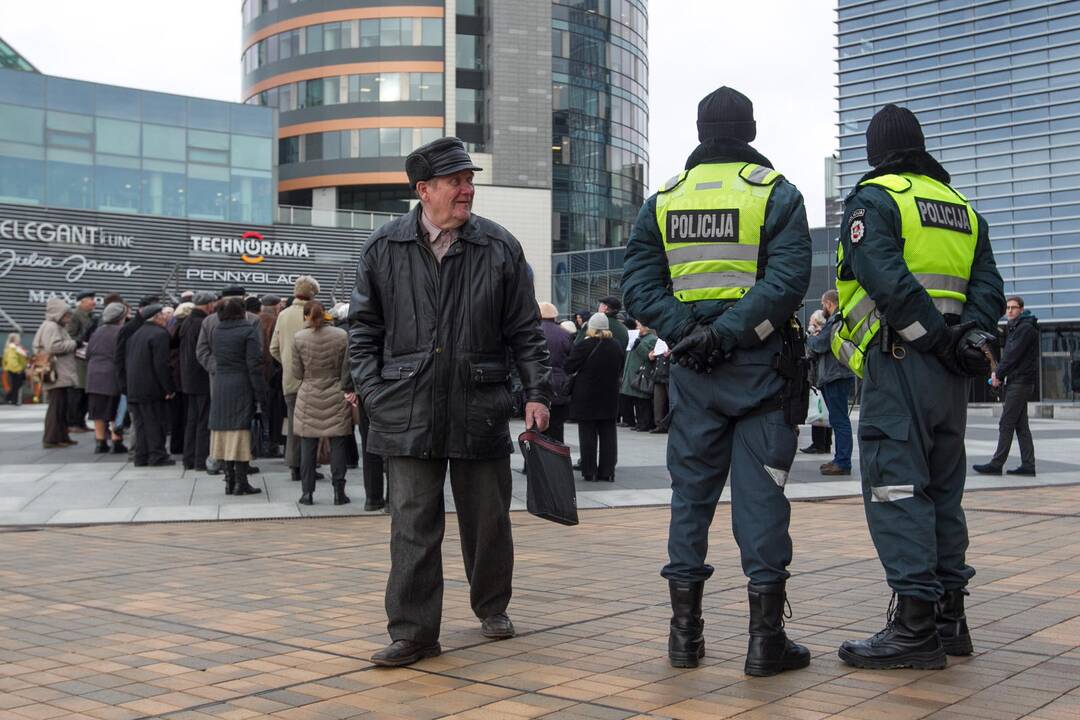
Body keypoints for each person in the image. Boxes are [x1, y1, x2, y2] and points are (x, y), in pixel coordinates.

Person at [622, 86, 812, 675]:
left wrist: (690, 333)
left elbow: (638, 285)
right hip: (759, 368)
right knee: (762, 501)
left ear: (701, 131)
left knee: (689, 501)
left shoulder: (663, 199)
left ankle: (684, 638)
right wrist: (726, 335)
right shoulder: (777, 194)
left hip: (693, 374)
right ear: (750, 131)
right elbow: (786, 284)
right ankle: (764, 643)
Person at [348, 136, 551, 667]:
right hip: (404, 408)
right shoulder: (383, 247)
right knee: (412, 523)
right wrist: (374, 394)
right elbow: (363, 333)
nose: (467, 190)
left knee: (487, 520)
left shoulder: (500, 246)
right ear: (424, 190)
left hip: (478, 403)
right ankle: (414, 631)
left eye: (469, 180)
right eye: (455, 182)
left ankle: (491, 605)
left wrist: (535, 394)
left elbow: (526, 332)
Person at [830, 104, 1004, 669]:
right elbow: (988, 292)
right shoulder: (962, 209)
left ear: (876, 151)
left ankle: (914, 631)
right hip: (951, 377)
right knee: (942, 494)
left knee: (896, 490)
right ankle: (953, 621)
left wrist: (931, 339)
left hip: (902, 362)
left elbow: (886, 278)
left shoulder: (876, 199)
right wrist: (966, 339)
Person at [292, 301, 353, 505]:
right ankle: (339, 492)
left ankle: (307, 493)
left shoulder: (299, 338)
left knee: (308, 446)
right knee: (338, 444)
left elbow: (296, 372)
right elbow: (347, 368)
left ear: (307, 316)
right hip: (336, 392)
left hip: (308, 394)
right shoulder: (341, 336)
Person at [197, 286, 261, 475]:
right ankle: (222, 462)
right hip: (224, 379)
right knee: (230, 421)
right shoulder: (210, 321)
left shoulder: (252, 320)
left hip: (227, 379)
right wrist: (217, 367)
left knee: (231, 421)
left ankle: (239, 464)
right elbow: (202, 350)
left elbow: (258, 350)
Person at [973, 296, 1037, 476]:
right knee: (1021, 425)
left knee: (1006, 422)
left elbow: (1013, 356)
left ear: (1021, 309)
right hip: (1017, 381)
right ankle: (1028, 465)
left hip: (1021, 382)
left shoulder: (1025, 329)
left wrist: (998, 375)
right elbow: (1009, 355)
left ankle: (996, 463)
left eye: (1014, 308)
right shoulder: (1015, 328)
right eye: (1008, 308)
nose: (1009, 311)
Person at [208, 298, 266, 495]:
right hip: (241, 385)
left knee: (224, 433)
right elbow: (254, 364)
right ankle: (241, 483)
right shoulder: (248, 331)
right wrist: (260, 392)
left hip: (221, 385)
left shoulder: (217, 331)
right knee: (240, 433)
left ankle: (229, 481)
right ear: (242, 312)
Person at [270, 276, 321, 483]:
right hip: (313, 378)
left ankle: (294, 465)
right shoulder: (314, 314)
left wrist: (287, 362)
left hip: (289, 379)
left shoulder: (283, 315)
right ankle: (310, 465)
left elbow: (273, 347)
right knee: (313, 424)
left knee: (293, 423)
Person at [566, 313, 624, 482]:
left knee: (587, 435)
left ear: (591, 327)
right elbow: (620, 367)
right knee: (608, 435)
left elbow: (569, 366)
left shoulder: (585, 345)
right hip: (609, 395)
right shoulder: (616, 346)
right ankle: (607, 471)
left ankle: (589, 470)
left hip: (586, 396)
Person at [806, 290, 855, 476]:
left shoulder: (835, 320)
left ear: (828, 303)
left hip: (835, 376)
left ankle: (842, 462)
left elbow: (819, 344)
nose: (822, 308)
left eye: (822, 304)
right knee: (837, 419)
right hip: (836, 375)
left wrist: (810, 337)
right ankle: (839, 459)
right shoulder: (838, 320)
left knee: (840, 420)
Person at [126, 305, 176, 467]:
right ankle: (157, 455)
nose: (165, 317)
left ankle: (141, 456)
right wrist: (168, 388)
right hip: (152, 387)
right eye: (162, 315)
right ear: (156, 317)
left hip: (135, 386)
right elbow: (161, 364)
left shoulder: (136, 334)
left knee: (141, 424)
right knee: (155, 422)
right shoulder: (160, 334)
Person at [33, 299, 79, 448]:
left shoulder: (55, 326)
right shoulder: (52, 327)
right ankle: (52, 439)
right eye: (66, 314)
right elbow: (53, 346)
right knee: (56, 407)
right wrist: (74, 343)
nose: (68, 316)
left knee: (61, 407)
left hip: (60, 372)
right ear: (58, 313)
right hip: (57, 373)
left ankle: (61, 436)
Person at [179, 292, 216, 471]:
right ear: (208, 305)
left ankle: (189, 458)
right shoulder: (202, 323)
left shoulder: (186, 321)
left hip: (188, 377)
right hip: (201, 377)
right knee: (203, 420)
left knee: (191, 420)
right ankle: (200, 459)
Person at [85, 302, 128, 454]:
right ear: (121, 317)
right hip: (112, 375)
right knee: (115, 409)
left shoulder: (97, 331)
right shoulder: (122, 332)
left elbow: (88, 353)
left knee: (98, 411)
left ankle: (100, 442)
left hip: (94, 376)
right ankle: (117, 441)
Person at [539, 302, 572, 442]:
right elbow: (572, 360)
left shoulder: (533, 332)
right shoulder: (565, 334)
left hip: (538, 383)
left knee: (537, 428)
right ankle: (557, 462)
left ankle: (535, 462)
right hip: (560, 385)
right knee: (557, 428)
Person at [259, 294, 287, 458]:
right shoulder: (274, 321)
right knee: (274, 410)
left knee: (262, 410)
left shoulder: (254, 318)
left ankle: (262, 443)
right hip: (271, 372)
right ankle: (272, 444)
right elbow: (276, 347)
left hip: (257, 371)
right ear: (276, 306)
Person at [65, 290, 97, 433]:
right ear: (82, 302)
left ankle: (80, 422)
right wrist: (83, 338)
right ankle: (73, 423)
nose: (94, 302)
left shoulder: (90, 316)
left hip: (86, 358)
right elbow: (70, 336)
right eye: (90, 299)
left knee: (85, 392)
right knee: (77, 392)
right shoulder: (75, 316)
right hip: (78, 360)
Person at [621, 323, 658, 431]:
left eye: (639, 325)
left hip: (642, 373)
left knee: (643, 400)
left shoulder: (652, 339)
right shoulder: (637, 337)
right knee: (637, 400)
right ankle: (640, 422)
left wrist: (638, 345)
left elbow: (649, 356)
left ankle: (645, 423)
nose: (637, 327)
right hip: (633, 373)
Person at [650, 337, 671, 434]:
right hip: (659, 373)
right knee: (658, 401)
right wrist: (651, 354)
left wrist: (672, 351)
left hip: (670, 373)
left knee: (672, 401)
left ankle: (671, 424)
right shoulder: (658, 339)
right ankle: (659, 424)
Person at [3, 333, 29, 405]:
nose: (19, 340)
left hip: (17, 368)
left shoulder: (16, 348)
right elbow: (12, 360)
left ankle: (10, 398)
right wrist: (18, 369)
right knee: (16, 385)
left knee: (17, 384)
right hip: (15, 369)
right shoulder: (12, 348)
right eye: (17, 339)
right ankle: (12, 399)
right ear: (14, 340)